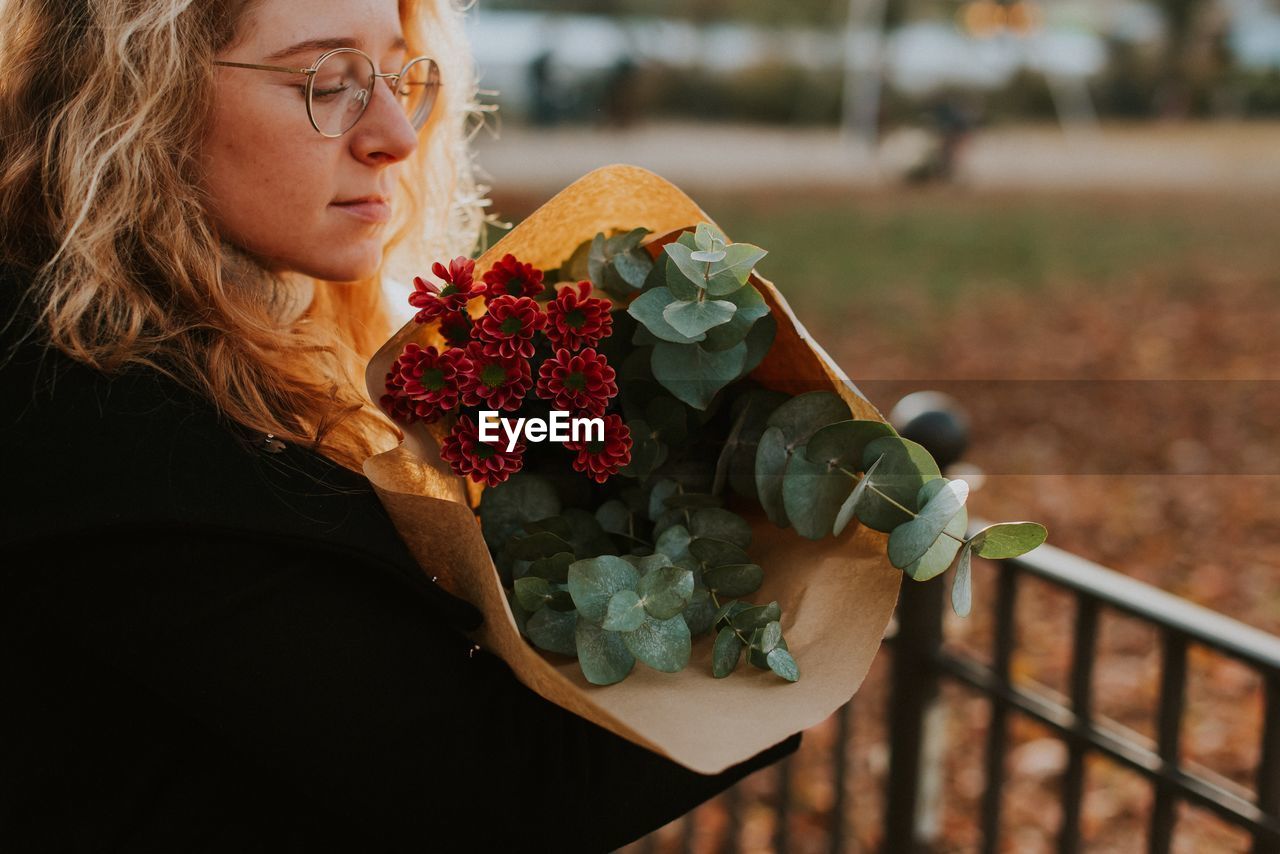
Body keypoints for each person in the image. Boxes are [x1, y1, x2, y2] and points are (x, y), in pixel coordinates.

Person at [0, 1, 801, 851]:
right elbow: (495, 791)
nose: (396, 135)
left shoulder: (271, 339)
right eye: (329, 80)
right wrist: (805, 574)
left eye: (398, 74)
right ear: (137, 101)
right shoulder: (69, 391)